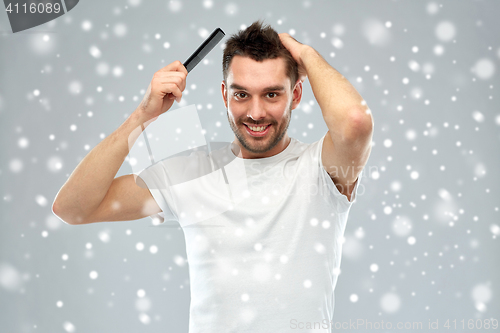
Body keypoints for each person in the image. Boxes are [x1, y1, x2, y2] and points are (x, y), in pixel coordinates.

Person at [52, 20, 373, 332]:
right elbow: (74, 208)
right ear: (224, 95)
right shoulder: (189, 174)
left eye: (272, 94)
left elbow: (355, 122)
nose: (256, 112)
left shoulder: (322, 168)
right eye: (242, 94)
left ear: (296, 95)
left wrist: (306, 55)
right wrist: (144, 115)